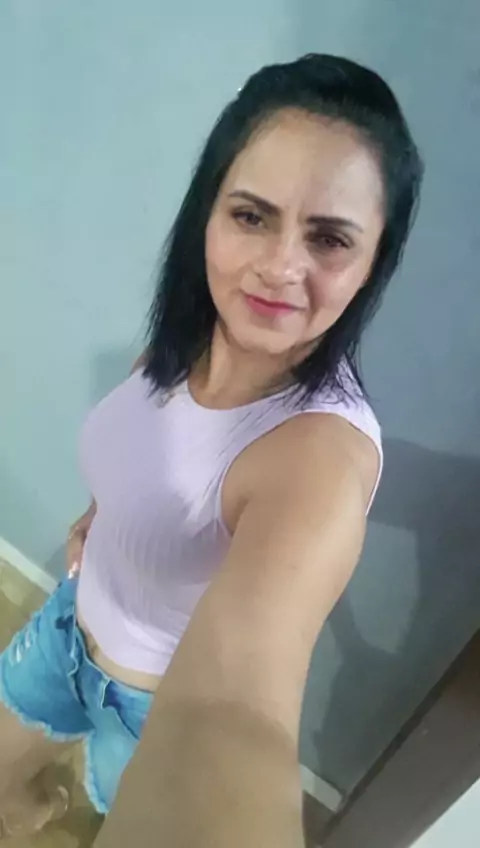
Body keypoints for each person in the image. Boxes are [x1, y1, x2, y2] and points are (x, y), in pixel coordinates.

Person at [0, 53, 423, 842]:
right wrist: (103, 514)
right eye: (251, 216)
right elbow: (144, 447)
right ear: (209, 214)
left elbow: (238, 718)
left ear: (372, 265)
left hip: (149, 716)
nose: (280, 266)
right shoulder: (193, 336)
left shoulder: (319, 458)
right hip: (67, 630)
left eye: (330, 238)